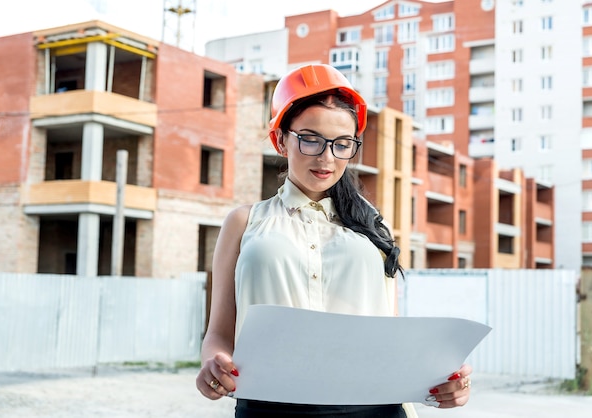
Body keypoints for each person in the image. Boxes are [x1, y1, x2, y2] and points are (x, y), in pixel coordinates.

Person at [196, 64, 472, 417]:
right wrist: (214, 364)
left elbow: (390, 334)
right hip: (270, 408)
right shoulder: (243, 223)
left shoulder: (373, 227)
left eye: (342, 144)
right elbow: (218, 334)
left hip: (373, 408)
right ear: (280, 139)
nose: (326, 157)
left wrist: (445, 380)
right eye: (310, 139)